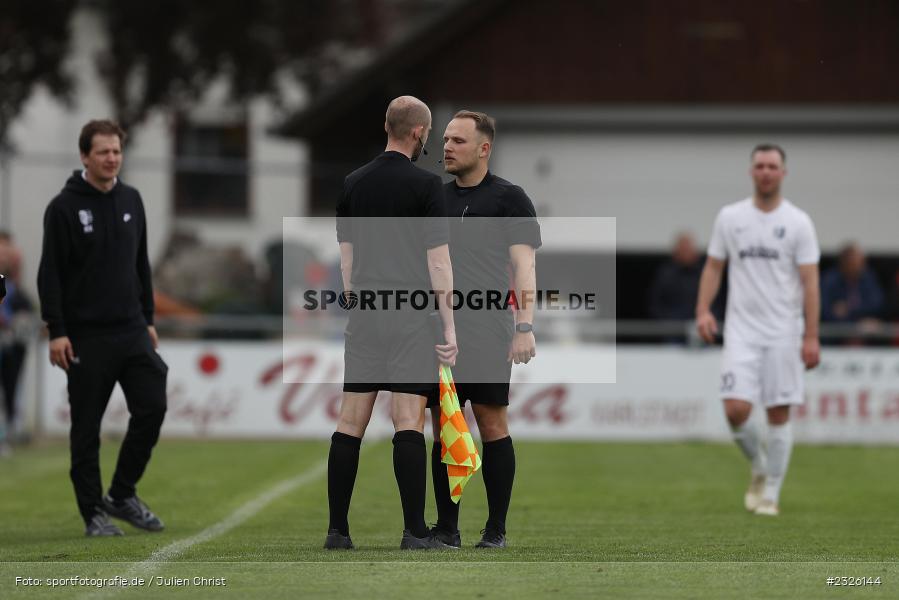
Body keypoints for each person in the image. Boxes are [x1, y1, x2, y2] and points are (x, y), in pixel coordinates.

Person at [325, 96, 457, 550]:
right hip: (410, 314)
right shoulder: (427, 186)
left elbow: (347, 260)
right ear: (419, 132)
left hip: (364, 313)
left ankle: (338, 531)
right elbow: (438, 264)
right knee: (408, 421)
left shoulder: (352, 183)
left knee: (350, 422)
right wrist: (449, 327)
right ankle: (414, 532)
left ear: (387, 126)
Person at [37, 120, 167, 536]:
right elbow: (50, 274)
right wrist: (57, 329)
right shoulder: (63, 208)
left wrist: (147, 318)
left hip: (131, 329)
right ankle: (93, 512)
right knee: (86, 428)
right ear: (84, 157)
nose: (112, 159)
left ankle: (122, 493)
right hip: (85, 336)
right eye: (103, 152)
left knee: (153, 404)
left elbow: (139, 265)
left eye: (117, 152)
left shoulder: (132, 198)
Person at [427, 110, 541, 548]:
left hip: (491, 329)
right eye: (445, 140)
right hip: (439, 331)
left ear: (484, 148)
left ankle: (495, 531)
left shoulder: (510, 199)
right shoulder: (434, 198)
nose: (448, 148)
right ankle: (446, 529)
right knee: (445, 427)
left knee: (492, 424)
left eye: (457, 140)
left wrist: (524, 325)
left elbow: (525, 266)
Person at [695, 143, 820, 517]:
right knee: (735, 410)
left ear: (783, 173)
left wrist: (811, 335)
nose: (766, 172)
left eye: (772, 166)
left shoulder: (799, 222)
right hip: (741, 331)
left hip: (784, 331)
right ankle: (760, 467)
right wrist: (703, 310)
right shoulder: (730, 217)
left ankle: (771, 495)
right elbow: (714, 267)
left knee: (778, 413)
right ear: (751, 172)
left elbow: (810, 282)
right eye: (760, 165)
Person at [0, 232, 35, 454]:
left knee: (11, 390)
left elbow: (26, 314)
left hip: (12, 349)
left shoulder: (18, 292)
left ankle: (7, 434)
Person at [647, 232, 705, 322]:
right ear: (676, 251)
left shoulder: (704, 274)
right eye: (683, 249)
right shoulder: (665, 274)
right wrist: (667, 322)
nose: (686, 253)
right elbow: (655, 303)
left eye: (688, 249)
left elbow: (716, 302)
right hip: (671, 328)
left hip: (700, 325)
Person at [820, 243, 884, 323]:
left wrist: (849, 308)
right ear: (843, 263)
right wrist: (855, 322)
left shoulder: (868, 278)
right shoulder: (829, 280)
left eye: (860, 263)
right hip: (837, 330)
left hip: (864, 328)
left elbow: (877, 304)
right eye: (853, 263)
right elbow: (825, 311)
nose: (857, 268)